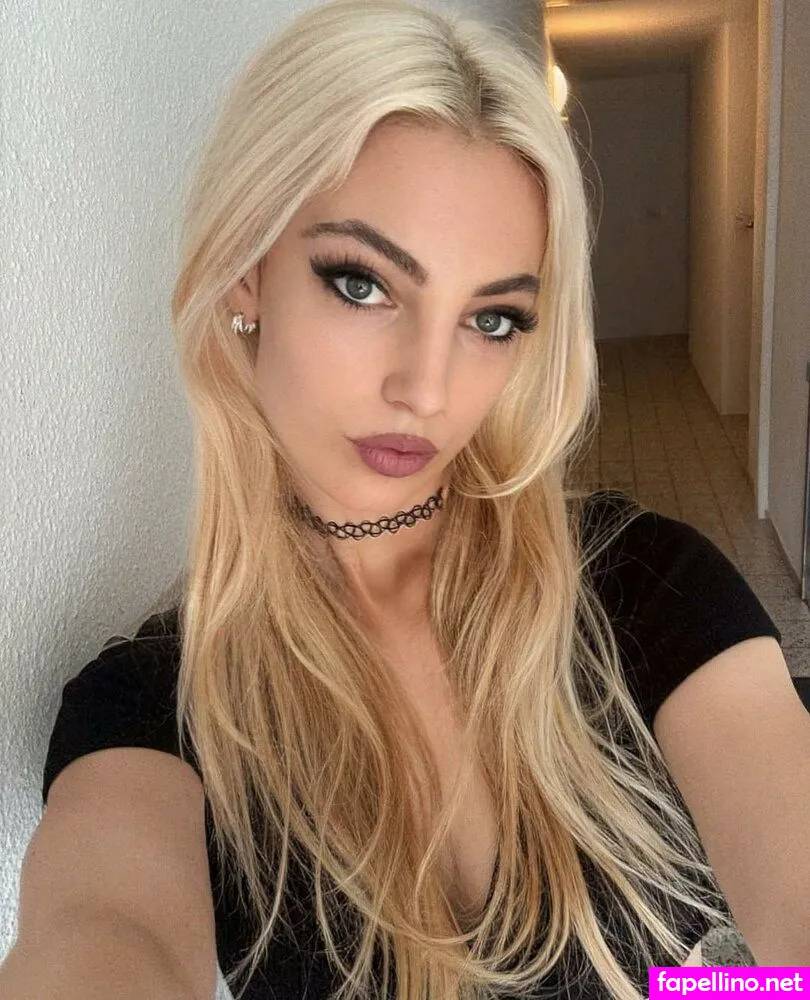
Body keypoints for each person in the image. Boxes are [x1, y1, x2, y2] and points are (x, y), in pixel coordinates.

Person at [2, 1, 804, 998]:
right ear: (247, 269)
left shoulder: (645, 583)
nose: (427, 389)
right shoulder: (154, 708)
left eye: (493, 318)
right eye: (362, 284)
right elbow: (106, 933)